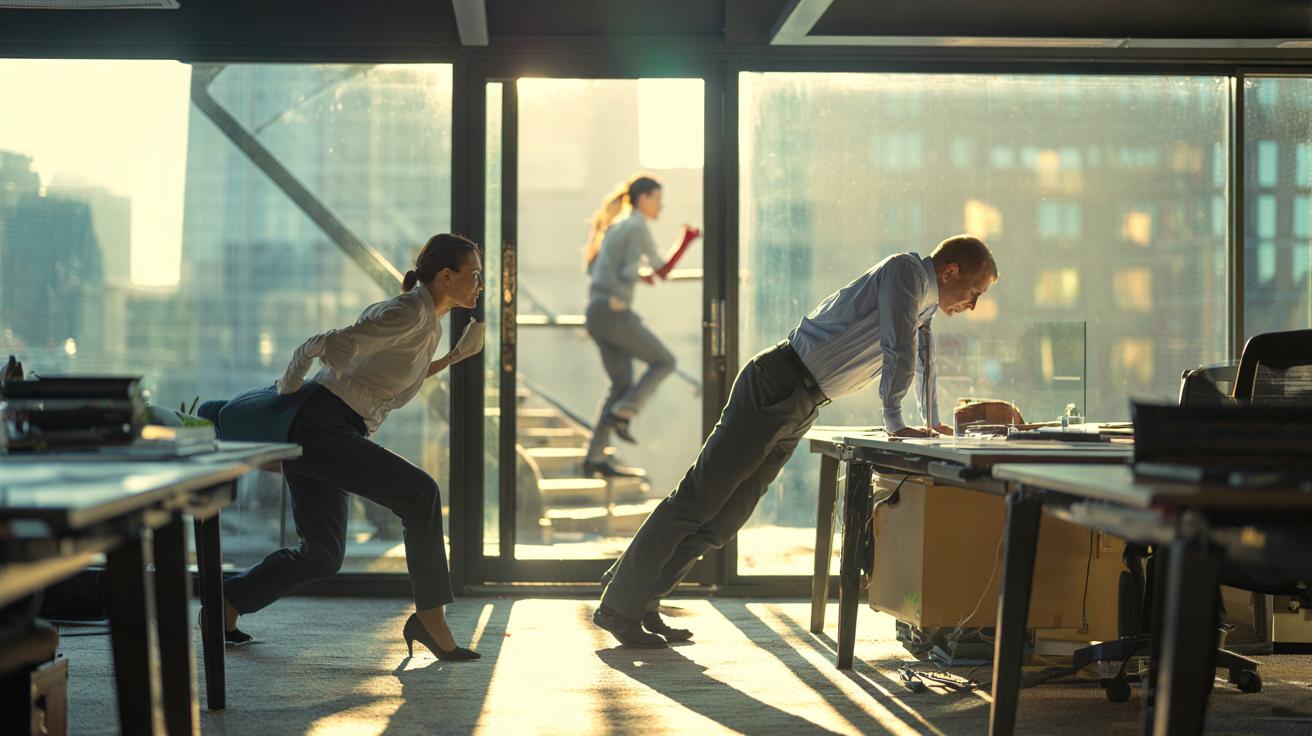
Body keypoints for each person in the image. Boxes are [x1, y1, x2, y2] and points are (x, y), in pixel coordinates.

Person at [593, 234, 999, 647]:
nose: (974, 304)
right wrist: (895, 420)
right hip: (779, 383)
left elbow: (923, 360)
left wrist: (930, 422)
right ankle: (617, 608)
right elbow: (898, 347)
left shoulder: (924, 304)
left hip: (804, 401)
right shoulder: (906, 272)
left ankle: (641, 597)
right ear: (950, 272)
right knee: (698, 499)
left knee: (725, 518)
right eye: (976, 292)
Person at [199, 233, 487, 661]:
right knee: (420, 493)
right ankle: (432, 621)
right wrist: (288, 387)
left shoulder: (426, 320)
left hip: (328, 427)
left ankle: (223, 605)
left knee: (323, 554)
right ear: (446, 276)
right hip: (323, 424)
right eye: (474, 274)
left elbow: (383, 374)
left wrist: (451, 360)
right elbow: (331, 344)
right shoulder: (409, 312)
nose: (480, 284)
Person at [581, 174, 700, 478]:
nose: (661, 206)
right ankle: (625, 412)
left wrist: (638, 274)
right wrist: (686, 240)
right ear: (643, 198)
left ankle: (594, 457)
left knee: (621, 385)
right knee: (665, 361)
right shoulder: (636, 227)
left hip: (596, 312)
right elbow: (662, 270)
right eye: (657, 199)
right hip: (614, 313)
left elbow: (604, 269)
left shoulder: (618, 225)